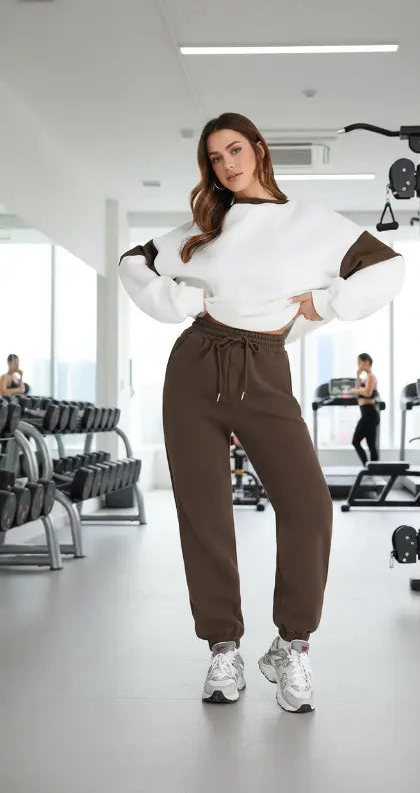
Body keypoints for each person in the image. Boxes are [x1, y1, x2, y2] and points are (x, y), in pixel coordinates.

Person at [118, 112, 404, 714]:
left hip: (265, 371)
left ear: (259, 149)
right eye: (214, 158)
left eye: (234, 149)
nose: (227, 164)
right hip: (195, 368)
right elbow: (132, 262)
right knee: (205, 515)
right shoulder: (205, 227)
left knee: (308, 507)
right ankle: (222, 649)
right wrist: (179, 297)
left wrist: (329, 302)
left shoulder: (313, 223)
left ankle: (291, 645)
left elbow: (387, 266)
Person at [350, 353, 380, 466]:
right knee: (371, 444)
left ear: (366, 362)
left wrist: (354, 391)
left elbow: (368, 392)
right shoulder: (366, 378)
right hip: (366, 413)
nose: (358, 365)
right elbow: (359, 390)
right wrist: (358, 376)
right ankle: (371, 469)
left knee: (356, 441)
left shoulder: (371, 376)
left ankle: (368, 467)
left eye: (360, 363)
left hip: (369, 413)